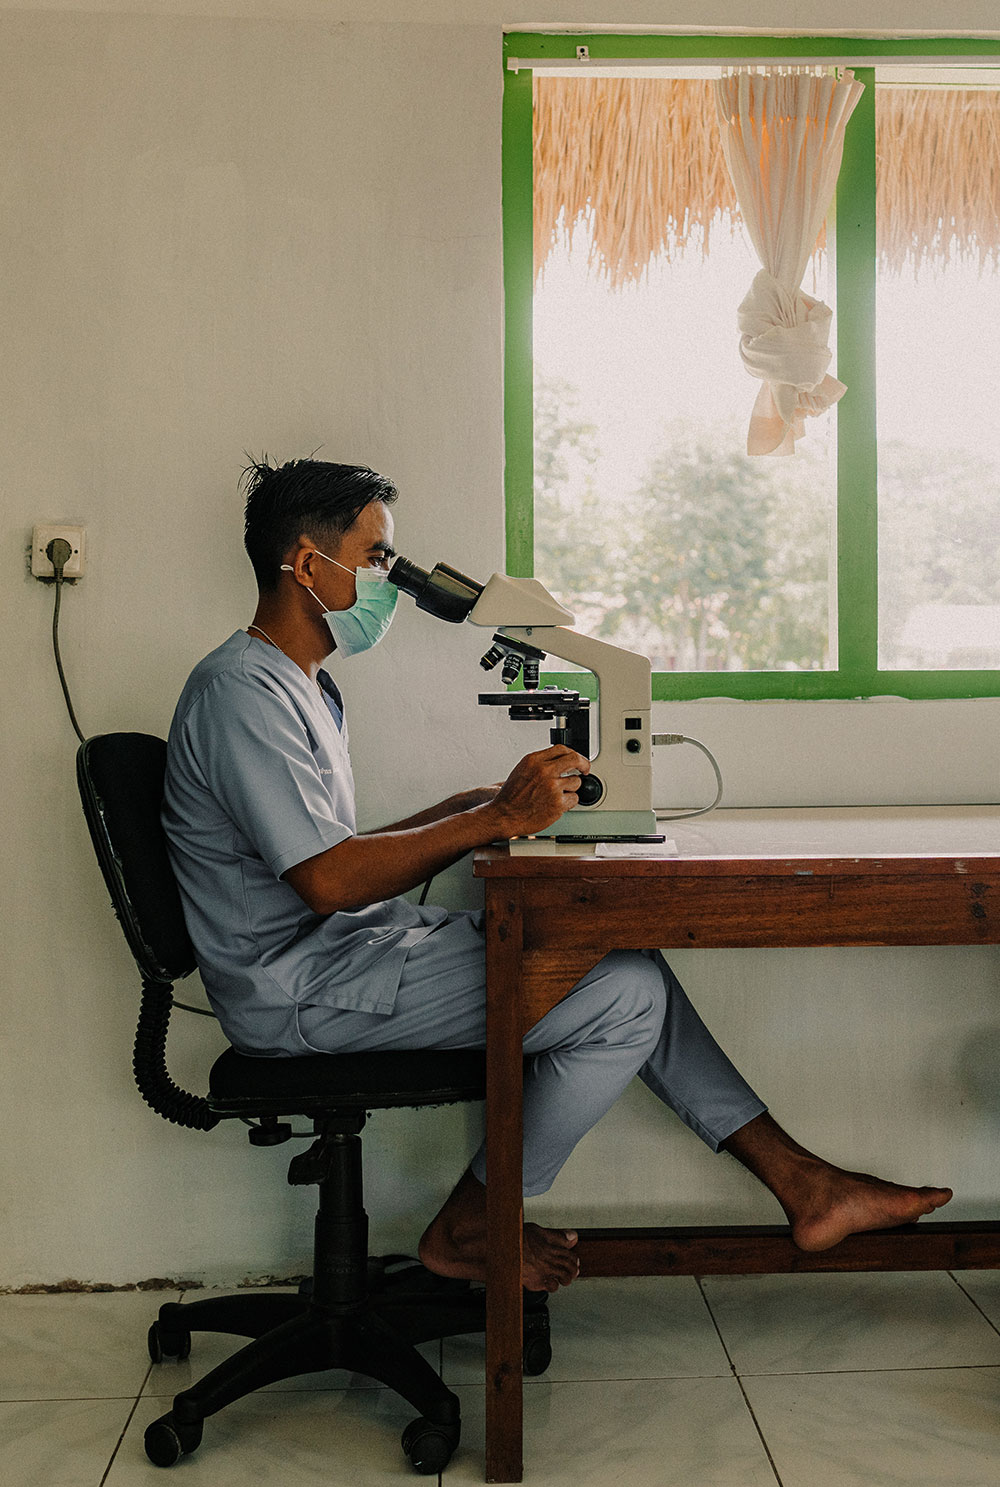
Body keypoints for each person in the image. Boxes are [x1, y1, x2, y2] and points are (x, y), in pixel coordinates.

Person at [162, 457, 952, 1294]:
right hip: (300, 990)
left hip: (337, 958)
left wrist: (461, 809)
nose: (390, 580)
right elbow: (324, 882)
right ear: (305, 562)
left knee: (618, 956)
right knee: (626, 996)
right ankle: (469, 1222)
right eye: (376, 557)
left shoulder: (304, 689)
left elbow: (323, 854)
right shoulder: (240, 693)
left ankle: (805, 1184)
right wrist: (494, 821)